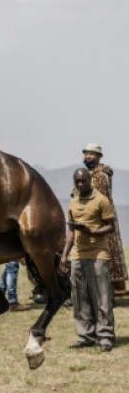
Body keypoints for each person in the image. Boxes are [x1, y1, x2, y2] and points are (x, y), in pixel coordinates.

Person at [63, 167, 117, 352]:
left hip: (98, 255)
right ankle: (85, 335)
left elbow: (110, 226)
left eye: (83, 181)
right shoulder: (72, 203)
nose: (80, 184)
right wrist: (64, 256)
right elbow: (70, 231)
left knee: (101, 298)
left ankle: (106, 336)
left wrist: (94, 231)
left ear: (89, 181)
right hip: (78, 256)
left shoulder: (101, 201)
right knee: (80, 298)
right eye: (77, 181)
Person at [81, 142, 127, 295]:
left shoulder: (99, 175)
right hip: (95, 219)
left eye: (91, 154)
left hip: (101, 221)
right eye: (86, 153)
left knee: (104, 256)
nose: (88, 156)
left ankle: (107, 292)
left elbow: (101, 200)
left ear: (99, 157)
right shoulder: (91, 173)